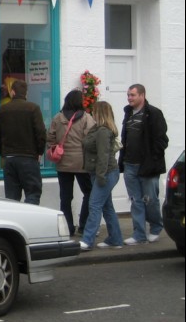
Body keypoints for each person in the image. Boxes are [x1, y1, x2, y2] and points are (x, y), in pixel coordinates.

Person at [119, 84, 168, 245]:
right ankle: (139, 234)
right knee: (136, 200)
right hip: (129, 165)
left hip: (147, 166)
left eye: (132, 95)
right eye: (128, 95)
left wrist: (152, 159)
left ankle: (155, 227)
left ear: (142, 95)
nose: (129, 98)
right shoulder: (128, 114)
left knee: (150, 200)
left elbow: (161, 141)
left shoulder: (153, 113)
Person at [47, 90, 95, 236]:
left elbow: (50, 138)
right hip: (82, 162)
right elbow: (91, 139)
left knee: (65, 197)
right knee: (89, 193)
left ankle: (68, 227)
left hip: (63, 162)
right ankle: (84, 225)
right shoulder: (86, 118)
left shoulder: (58, 117)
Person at [0, 79, 46, 204]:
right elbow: (41, 133)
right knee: (32, 194)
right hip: (29, 158)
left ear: (12, 92)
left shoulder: (1, 110)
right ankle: (29, 223)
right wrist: (39, 151)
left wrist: (3, 152)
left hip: (9, 159)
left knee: (12, 198)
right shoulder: (33, 108)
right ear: (26, 93)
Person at [79, 101, 124, 251]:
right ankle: (115, 239)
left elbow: (103, 155)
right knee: (107, 207)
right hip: (100, 173)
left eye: (94, 111)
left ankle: (87, 240)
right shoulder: (97, 129)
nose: (92, 113)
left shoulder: (103, 131)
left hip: (105, 173)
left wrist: (101, 176)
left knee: (94, 204)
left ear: (100, 113)